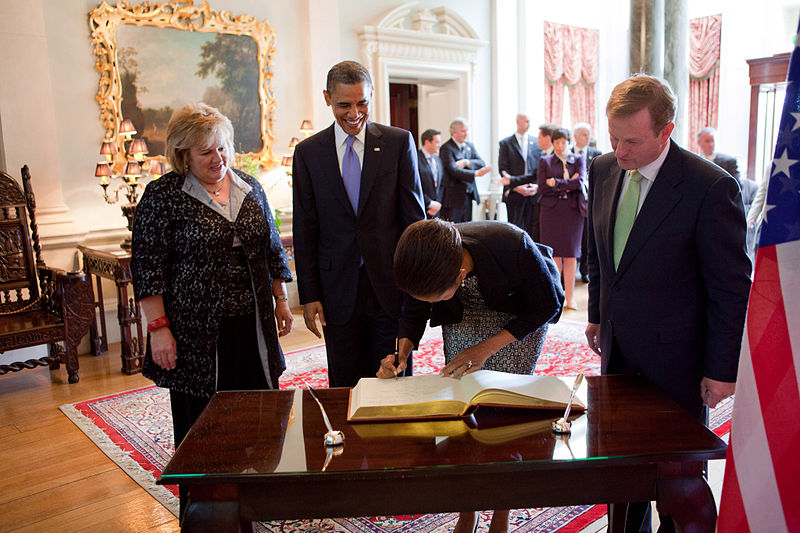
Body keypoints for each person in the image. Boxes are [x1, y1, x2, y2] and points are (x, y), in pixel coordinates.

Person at [585, 75, 751, 532]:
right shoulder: (601, 169)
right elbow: (600, 254)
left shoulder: (709, 187)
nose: (620, 152)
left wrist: (721, 370)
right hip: (617, 354)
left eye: (632, 141)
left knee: (675, 483)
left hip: (677, 363)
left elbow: (730, 289)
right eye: (613, 137)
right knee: (622, 472)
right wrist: (597, 314)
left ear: (666, 130)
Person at [131, 103, 293, 520]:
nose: (218, 159)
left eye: (223, 149)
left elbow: (272, 250)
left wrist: (280, 300)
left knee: (259, 418)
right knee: (202, 428)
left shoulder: (249, 187)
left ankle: (254, 507)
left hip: (252, 327)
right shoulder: (164, 196)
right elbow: (147, 267)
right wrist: (159, 329)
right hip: (196, 334)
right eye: (206, 152)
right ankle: (203, 514)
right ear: (183, 154)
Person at [377, 218, 563, 533]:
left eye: (434, 299)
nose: (429, 305)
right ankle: (468, 507)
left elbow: (548, 305)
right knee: (463, 410)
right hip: (465, 311)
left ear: (460, 276)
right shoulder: (425, 258)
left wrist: (485, 349)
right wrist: (402, 353)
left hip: (521, 314)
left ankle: (502, 510)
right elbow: (414, 309)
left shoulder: (511, 244)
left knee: (505, 416)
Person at [292, 60, 426, 387]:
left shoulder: (398, 143)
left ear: (372, 95)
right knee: (346, 384)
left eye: (362, 102)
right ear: (327, 98)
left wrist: (417, 290)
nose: (354, 113)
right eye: (344, 105)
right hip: (337, 290)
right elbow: (305, 228)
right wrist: (309, 294)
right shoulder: (308, 153)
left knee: (393, 380)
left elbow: (414, 223)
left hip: (391, 287)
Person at [537, 127, 586, 311]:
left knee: (572, 255)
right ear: (553, 143)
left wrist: (556, 183)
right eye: (556, 142)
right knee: (554, 255)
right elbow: (543, 187)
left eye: (563, 142)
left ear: (569, 142)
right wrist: (567, 184)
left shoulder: (578, 159)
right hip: (551, 212)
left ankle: (571, 297)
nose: (559, 146)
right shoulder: (545, 161)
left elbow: (580, 182)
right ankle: (556, 296)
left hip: (572, 212)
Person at [697, 126, 758, 260]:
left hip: (722, 213)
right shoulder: (693, 161)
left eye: (713, 140)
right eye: (707, 141)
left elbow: (736, 189)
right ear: (699, 143)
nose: (711, 144)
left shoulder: (729, 161)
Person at [498, 112, 542, 240]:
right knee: (515, 228)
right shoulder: (505, 143)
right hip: (514, 192)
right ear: (518, 122)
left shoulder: (537, 142)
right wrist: (516, 186)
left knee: (532, 228)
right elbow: (503, 168)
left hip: (532, 192)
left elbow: (539, 168)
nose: (529, 124)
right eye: (526, 121)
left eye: (529, 121)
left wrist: (535, 186)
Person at [439, 118, 492, 222]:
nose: (466, 134)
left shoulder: (469, 146)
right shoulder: (446, 148)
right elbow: (453, 170)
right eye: (463, 131)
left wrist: (466, 162)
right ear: (453, 132)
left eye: (467, 131)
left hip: (468, 196)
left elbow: (481, 163)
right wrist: (475, 174)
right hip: (454, 197)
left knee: (467, 228)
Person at [572, 122, 602, 283]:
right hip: (570, 203)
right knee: (572, 237)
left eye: (588, 134)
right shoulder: (567, 153)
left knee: (587, 237)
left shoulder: (596, 154)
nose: (587, 137)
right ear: (575, 136)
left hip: (589, 202)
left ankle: (585, 271)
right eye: (584, 134)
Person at [418, 128, 444, 218]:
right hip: (422, 208)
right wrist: (429, 203)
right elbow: (415, 185)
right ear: (427, 142)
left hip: (436, 209)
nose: (439, 145)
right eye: (437, 142)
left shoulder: (438, 159)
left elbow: (441, 185)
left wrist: (437, 204)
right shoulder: (415, 159)